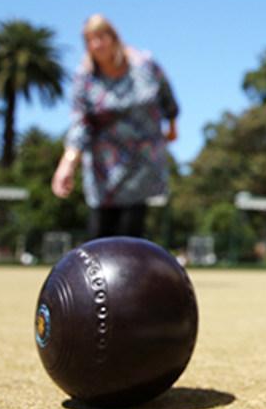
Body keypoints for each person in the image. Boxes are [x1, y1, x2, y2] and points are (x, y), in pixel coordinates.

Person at [51, 14, 179, 240]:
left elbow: (167, 96)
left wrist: (172, 124)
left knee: (131, 233)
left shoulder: (144, 65)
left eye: (101, 37)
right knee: (99, 234)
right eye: (90, 40)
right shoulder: (86, 78)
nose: (96, 44)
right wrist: (68, 164)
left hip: (141, 161)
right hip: (104, 165)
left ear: (113, 38)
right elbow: (80, 123)